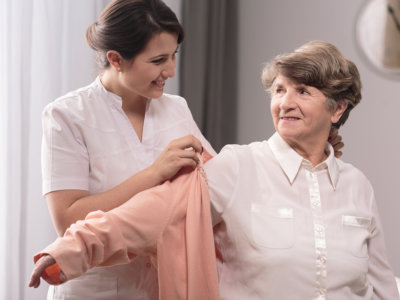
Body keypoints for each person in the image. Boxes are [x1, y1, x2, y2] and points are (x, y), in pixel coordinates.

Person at [30, 40, 399, 299]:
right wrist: (71, 250)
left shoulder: (357, 186)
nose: (285, 102)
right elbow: (154, 211)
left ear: (337, 110)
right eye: (279, 90)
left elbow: (381, 284)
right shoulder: (236, 167)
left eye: (302, 92)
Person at [39, 0, 215, 299]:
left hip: (163, 284)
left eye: (174, 56)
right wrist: (154, 173)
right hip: (96, 289)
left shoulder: (176, 108)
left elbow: (212, 182)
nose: (170, 71)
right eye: (158, 60)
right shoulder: (68, 115)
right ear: (116, 59)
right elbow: (68, 220)